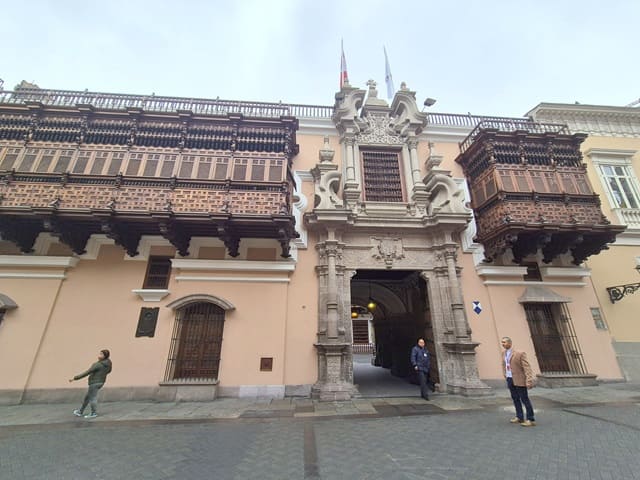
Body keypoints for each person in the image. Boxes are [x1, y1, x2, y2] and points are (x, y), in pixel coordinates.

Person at [501, 337, 535, 427]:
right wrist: (505, 374)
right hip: (510, 378)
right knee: (515, 398)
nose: (503, 344)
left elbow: (527, 367)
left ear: (510, 343)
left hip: (519, 379)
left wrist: (529, 380)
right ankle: (519, 417)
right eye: (502, 342)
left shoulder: (519, 353)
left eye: (504, 342)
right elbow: (504, 364)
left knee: (524, 399)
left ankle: (530, 419)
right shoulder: (503, 353)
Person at [69, 349, 112, 419]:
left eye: (101, 354)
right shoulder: (108, 364)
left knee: (92, 398)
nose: (99, 355)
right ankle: (80, 411)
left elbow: (87, 372)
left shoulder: (98, 364)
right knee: (87, 397)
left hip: (94, 383)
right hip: (101, 382)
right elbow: (109, 371)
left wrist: (75, 378)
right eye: (100, 353)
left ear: (105, 356)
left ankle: (93, 413)